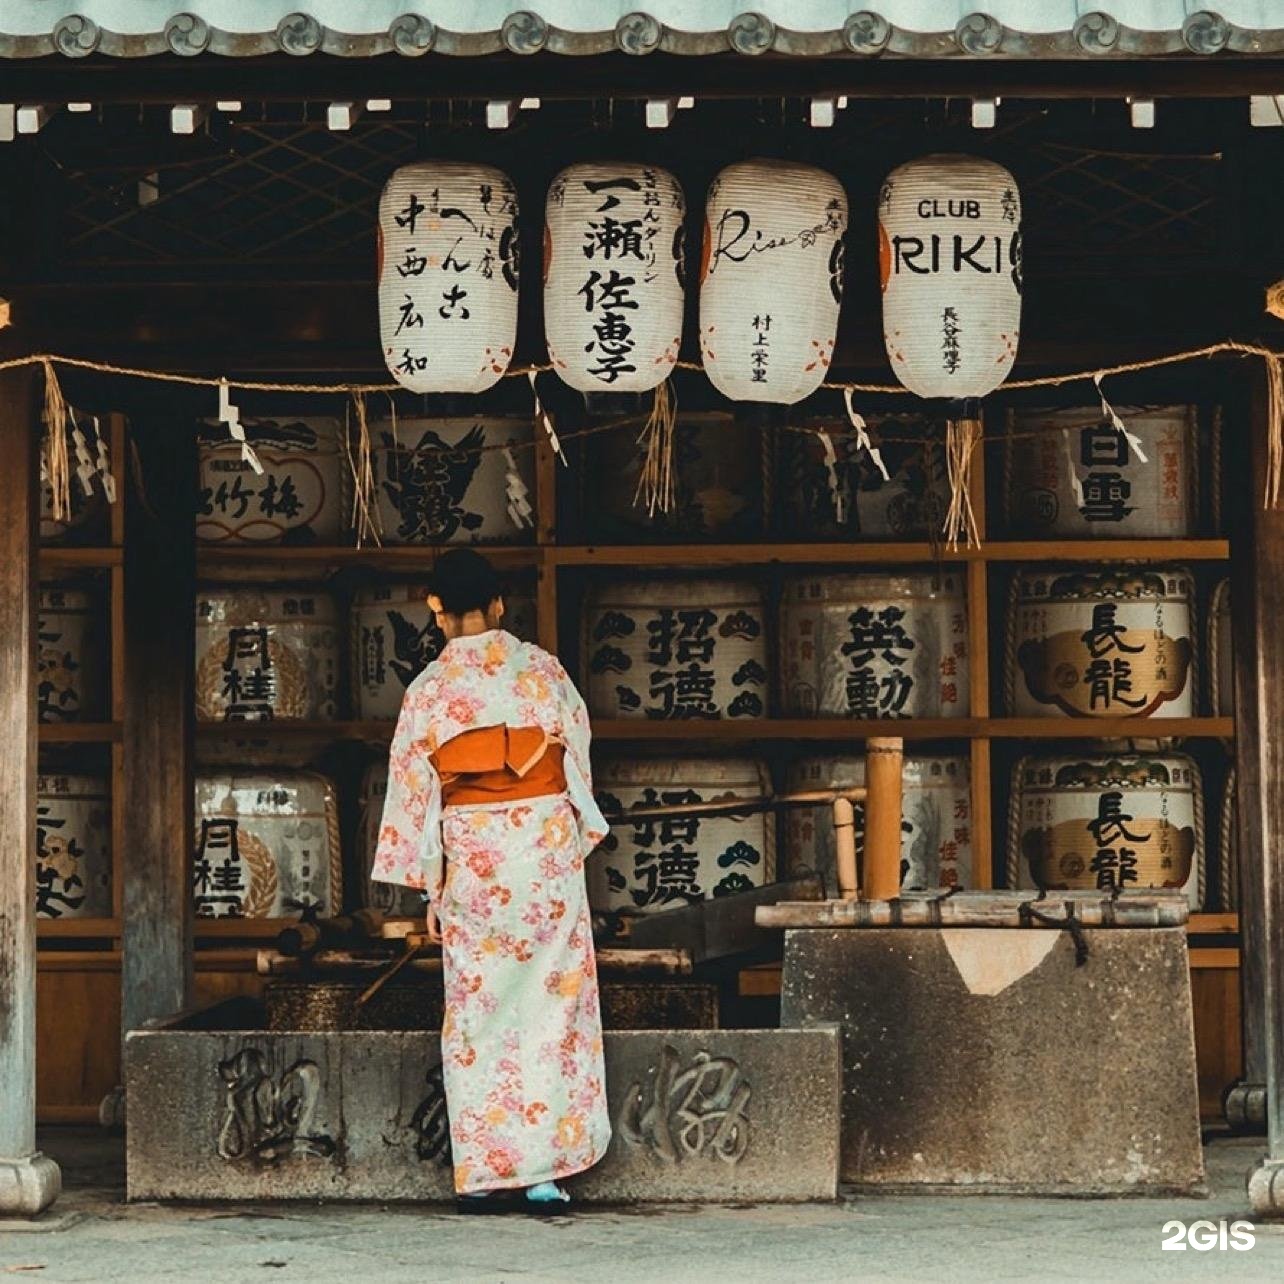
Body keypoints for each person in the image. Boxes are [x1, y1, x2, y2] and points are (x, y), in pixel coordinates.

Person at [372, 547, 611, 1213]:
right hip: (542, 855)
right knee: (551, 1008)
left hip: (474, 858)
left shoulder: (429, 692)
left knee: (477, 1013)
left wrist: (430, 881)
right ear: (501, 604)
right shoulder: (543, 673)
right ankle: (544, 1174)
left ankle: (483, 1174)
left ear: (436, 609)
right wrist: (563, 837)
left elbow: (415, 792)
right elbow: (576, 761)